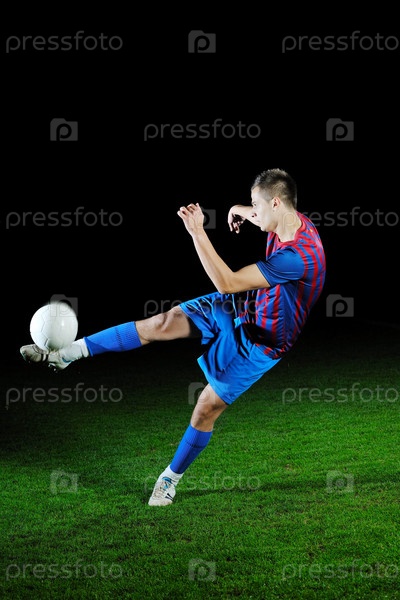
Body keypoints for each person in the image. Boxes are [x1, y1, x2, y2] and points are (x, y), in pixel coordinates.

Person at [20, 168, 326, 506]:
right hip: (241, 306)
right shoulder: (286, 219)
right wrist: (237, 210)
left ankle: (169, 480)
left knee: (206, 407)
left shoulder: (299, 256)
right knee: (161, 323)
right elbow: (258, 217)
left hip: (260, 342)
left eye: (257, 205)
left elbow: (227, 282)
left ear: (276, 203)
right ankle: (66, 354)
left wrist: (197, 232)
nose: (253, 211)